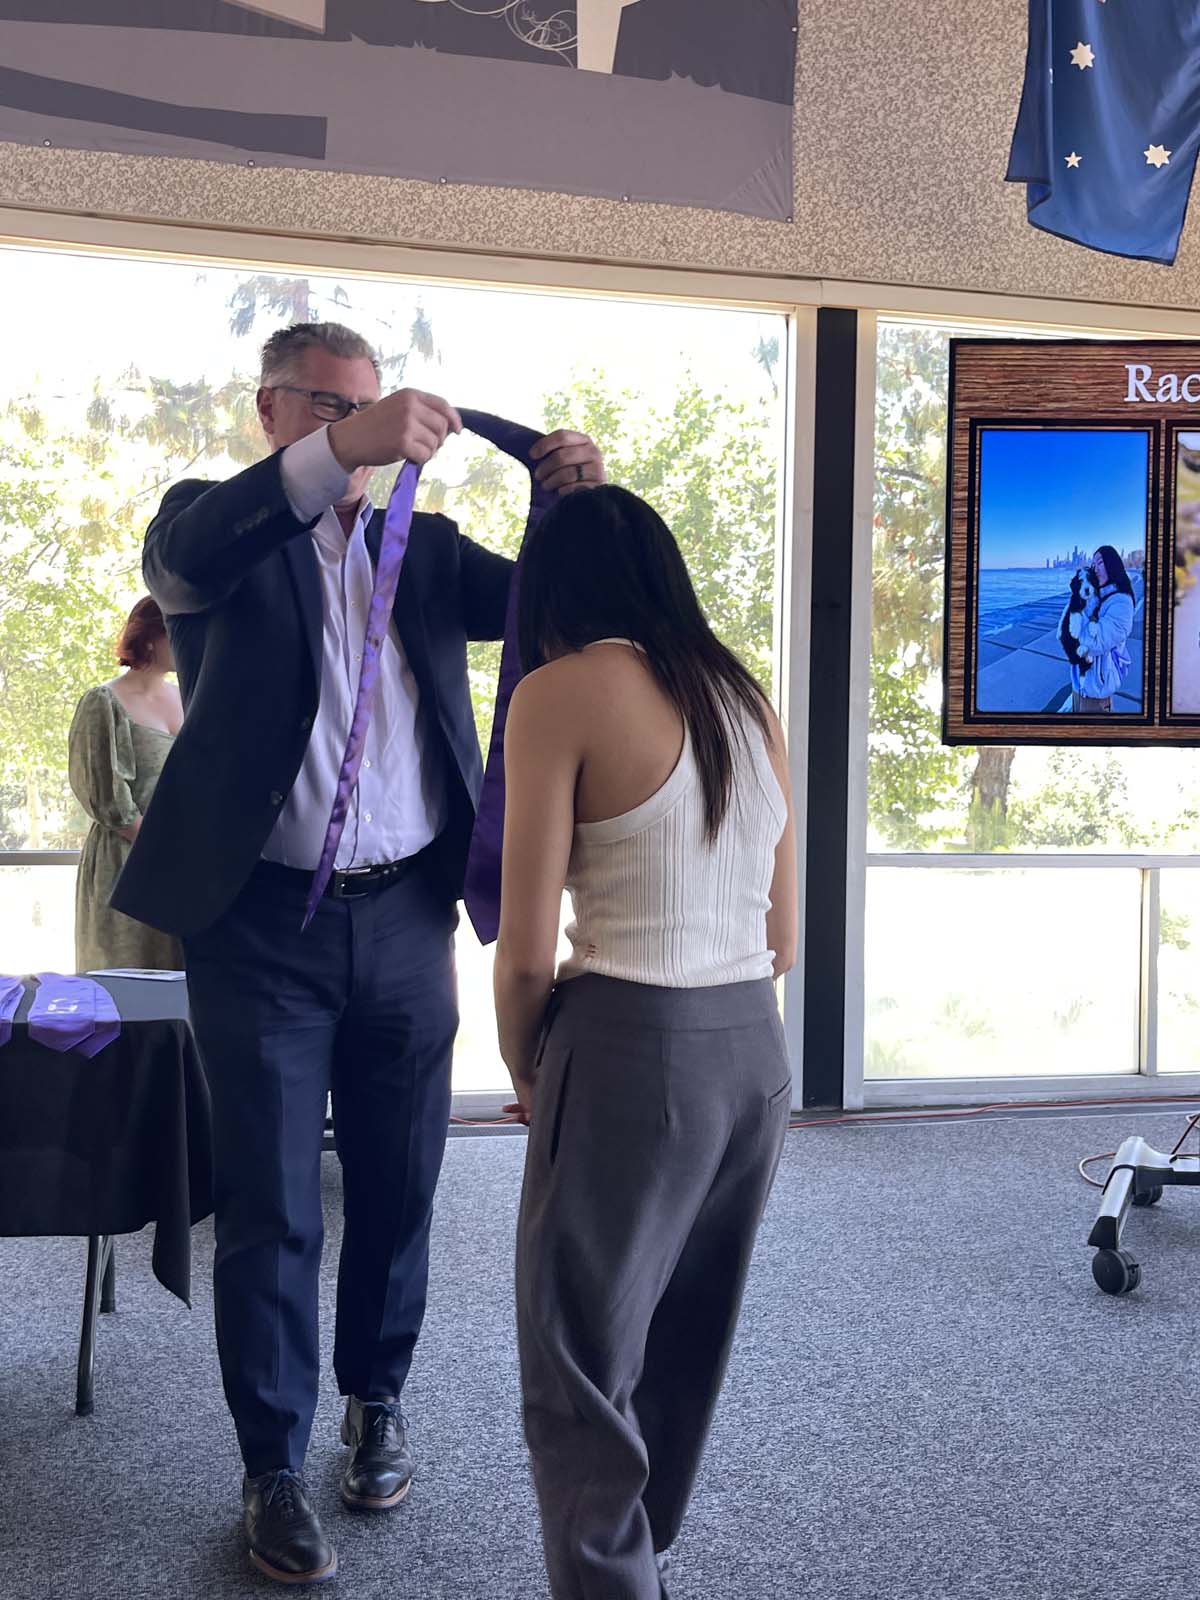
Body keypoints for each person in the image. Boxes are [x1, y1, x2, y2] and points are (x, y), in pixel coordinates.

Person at [110, 321, 605, 1585]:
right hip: (259, 926)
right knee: (272, 1204)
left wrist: (576, 505)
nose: (364, 430)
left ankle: (376, 1400)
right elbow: (179, 561)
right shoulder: (218, 526)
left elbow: (559, 609)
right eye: (330, 407)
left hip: (403, 920)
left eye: (371, 408)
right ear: (272, 411)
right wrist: (344, 450)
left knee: (398, 1184)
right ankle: (270, 1462)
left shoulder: (423, 547)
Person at [493, 484, 798, 1600]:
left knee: (577, 1363)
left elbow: (524, 952)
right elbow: (783, 935)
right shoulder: (744, 697)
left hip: (632, 1042)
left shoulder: (557, 694)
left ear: (552, 595)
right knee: (682, 1337)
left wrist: (530, 1066)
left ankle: (611, 1578)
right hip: (752, 1054)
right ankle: (636, 1560)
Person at [67, 596, 183, 973]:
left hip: (182, 862)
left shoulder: (189, 696)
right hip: (124, 864)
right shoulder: (104, 702)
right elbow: (105, 796)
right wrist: (158, 851)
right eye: (177, 630)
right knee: (128, 981)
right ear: (150, 637)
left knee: (182, 985)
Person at [1066, 545, 1136, 713]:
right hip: (1080, 686)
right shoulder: (1097, 596)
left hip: (1097, 691)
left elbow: (1094, 644)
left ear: (1112, 565)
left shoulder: (1121, 603)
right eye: (1093, 564)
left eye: (1100, 563)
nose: (1095, 569)